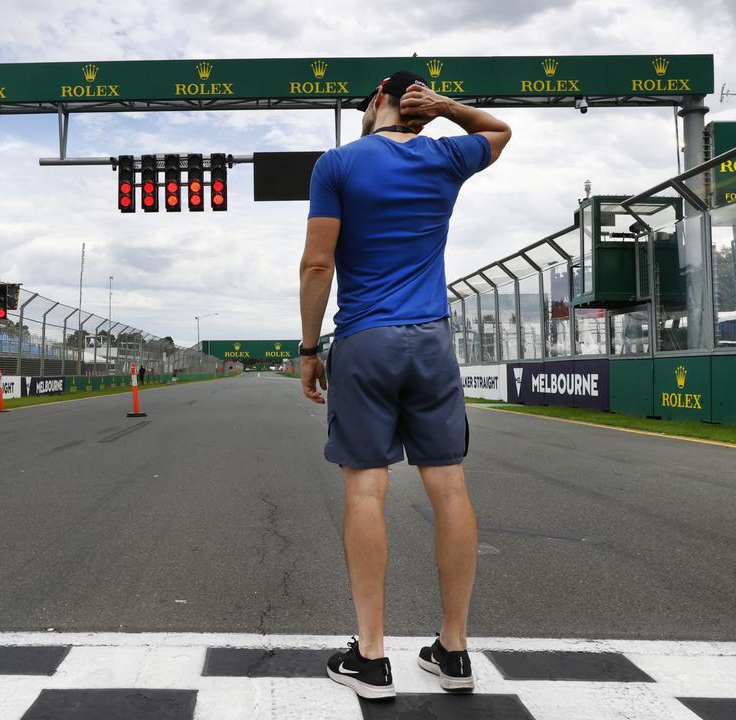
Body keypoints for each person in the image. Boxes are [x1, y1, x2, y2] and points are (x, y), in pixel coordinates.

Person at [298, 70, 511, 699]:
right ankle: (453, 650)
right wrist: (447, 108)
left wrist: (310, 348)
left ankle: (370, 657)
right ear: (419, 106)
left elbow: (317, 264)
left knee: (367, 489)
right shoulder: (447, 154)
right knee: (448, 485)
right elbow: (499, 131)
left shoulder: (338, 164)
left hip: (366, 339)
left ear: (375, 104)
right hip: (432, 339)